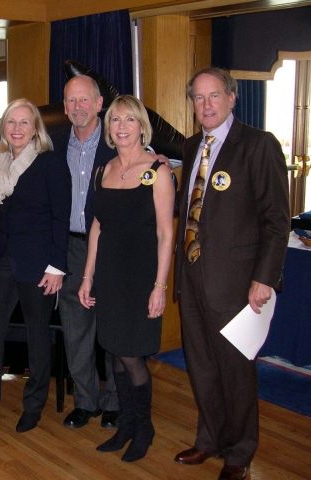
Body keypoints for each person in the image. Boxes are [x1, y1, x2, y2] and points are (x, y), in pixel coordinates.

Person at [173, 68, 289, 480]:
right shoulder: (190, 148)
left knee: (236, 372)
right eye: (198, 98)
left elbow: (277, 220)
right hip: (192, 278)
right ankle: (209, 440)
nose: (205, 105)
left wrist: (265, 277)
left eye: (214, 96)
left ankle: (239, 451)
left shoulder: (258, 146)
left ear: (232, 98)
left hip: (238, 284)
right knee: (202, 366)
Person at [0, 98, 72, 437]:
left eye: (24, 122)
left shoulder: (50, 163)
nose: (17, 128)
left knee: (36, 338)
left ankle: (33, 407)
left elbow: (61, 217)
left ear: (35, 128)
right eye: (11, 122)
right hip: (2, 260)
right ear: (4, 127)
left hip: (39, 265)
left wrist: (57, 266)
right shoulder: (0, 162)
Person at [79, 95, 174, 462]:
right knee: (115, 351)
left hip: (141, 276)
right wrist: (87, 277)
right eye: (115, 120)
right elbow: (97, 228)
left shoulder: (158, 171)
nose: (121, 126)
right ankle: (127, 425)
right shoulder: (104, 171)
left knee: (132, 355)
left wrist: (160, 286)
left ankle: (144, 427)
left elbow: (166, 234)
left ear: (141, 127)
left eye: (129, 120)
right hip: (110, 274)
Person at [50, 74, 121, 431]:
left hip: (109, 249)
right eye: (70, 101)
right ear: (64, 107)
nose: (77, 107)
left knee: (110, 326)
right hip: (70, 249)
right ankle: (86, 400)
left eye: (84, 100)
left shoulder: (117, 143)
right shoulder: (54, 143)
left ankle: (114, 402)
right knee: (75, 329)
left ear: (98, 104)